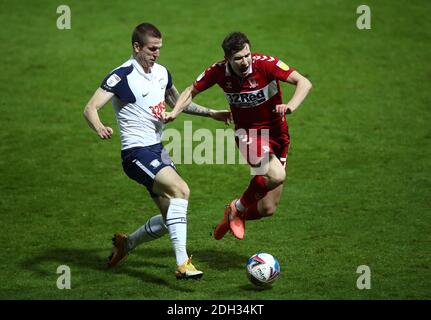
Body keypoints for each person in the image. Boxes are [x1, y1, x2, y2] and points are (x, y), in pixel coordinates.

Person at [83, 23, 230, 279]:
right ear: (136, 47)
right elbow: (90, 108)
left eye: (160, 48)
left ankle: (126, 244)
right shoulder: (121, 75)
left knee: (169, 218)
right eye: (152, 49)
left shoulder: (162, 73)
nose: (157, 53)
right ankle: (183, 264)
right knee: (181, 190)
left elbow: (179, 102)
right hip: (135, 153)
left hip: (156, 150)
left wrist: (211, 113)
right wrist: (99, 127)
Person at [162, 32, 312, 240]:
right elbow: (190, 91)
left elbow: (304, 82)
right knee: (277, 175)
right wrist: (174, 112)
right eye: (238, 58)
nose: (245, 61)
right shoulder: (218, 71)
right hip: (248, 134)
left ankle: (232, 216)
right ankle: (237, 208)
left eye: (247, 55)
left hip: (278, 135)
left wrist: (290, 106)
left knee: (267, 208)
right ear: (227, 59)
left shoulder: (266, 64)